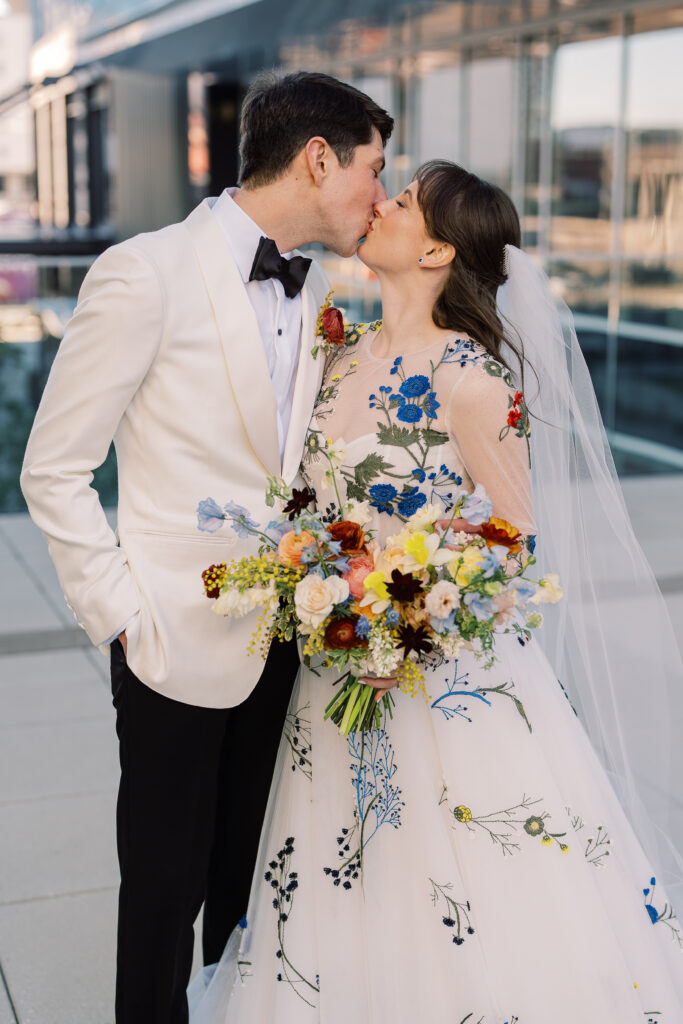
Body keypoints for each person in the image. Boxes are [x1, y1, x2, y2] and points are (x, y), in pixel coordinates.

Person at [188, 161, 683, 1022]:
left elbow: (513, 539)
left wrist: (405, 618)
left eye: (405, 202)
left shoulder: (473, 381)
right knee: (341, 879)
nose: (381, 203)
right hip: (332, 670)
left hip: (439, 684)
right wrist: (315, 578)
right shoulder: (335, 355)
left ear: (438, 250)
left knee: (457, 883)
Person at [19, 71, 393, 1024]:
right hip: (169, 642)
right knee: (160, 896)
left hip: (283, 638)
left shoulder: (315, 298)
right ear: (318, 158)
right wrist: (121, 617)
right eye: (373, 169)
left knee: (248, 884)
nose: (380, 197)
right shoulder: (144, 270)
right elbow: (53, 467)